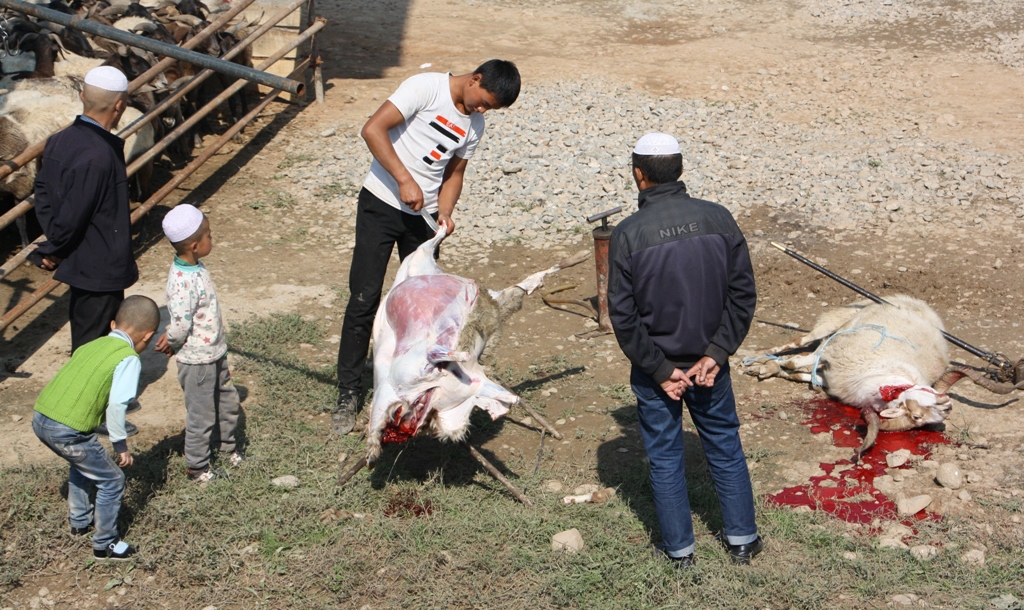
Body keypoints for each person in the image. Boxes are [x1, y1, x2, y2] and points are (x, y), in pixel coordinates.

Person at [332, 59, 521, 435]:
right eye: (484, 101)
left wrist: (446, 213)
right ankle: (348, 393)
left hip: (423, 218)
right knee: (365, 299)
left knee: (429, 310)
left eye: (490, 109)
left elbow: (455, 173)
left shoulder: (474, 124)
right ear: (475, 78)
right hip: (381, 204)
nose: (482, 111)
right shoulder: (425, 88)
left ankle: (417, 387)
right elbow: (372, 130)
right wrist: (403, 179)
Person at [608, 133, 762, 566]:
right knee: (725, 446)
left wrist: (659, 370)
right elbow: (742, 296)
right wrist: (717, 353)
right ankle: (743, 541)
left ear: (639, 175)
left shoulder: (628, 234)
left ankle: (680, 551)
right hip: (711, 366)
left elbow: (623, 317)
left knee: (665, 458)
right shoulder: (719, 218)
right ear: (679, 169)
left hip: (658, 373)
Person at [32, 295, 160, 561]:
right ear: (148, 336)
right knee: (112, 480)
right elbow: (117, 405)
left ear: (113, 324)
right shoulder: (127, 358)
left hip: (42, 416)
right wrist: (120, 445)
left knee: (82, 463)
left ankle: (79, 522)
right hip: (65, 429)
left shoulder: (93, 344)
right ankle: (105, 544)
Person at [32, 66, 138, 353]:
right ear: (120, 105)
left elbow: (41, 191)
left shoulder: (59, 140)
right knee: (91, 347)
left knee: (91, 335)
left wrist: (55, 241)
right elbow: (76, 212)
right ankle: (86, 397)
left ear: (81, 96)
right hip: (99, 267)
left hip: (82, 262)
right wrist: (54, 245)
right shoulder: (99, 154)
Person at [154, 204, 243, 483]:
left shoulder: (195, 267)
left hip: (215, 353)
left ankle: (227, 447)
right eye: (209, 235)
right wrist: (171, 340)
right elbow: (179, 324)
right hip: (197, 362)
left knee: (227, 401)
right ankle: (197, 467)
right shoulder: (181, 282)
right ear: (194, 245)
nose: (212, 239)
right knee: (201, 415)